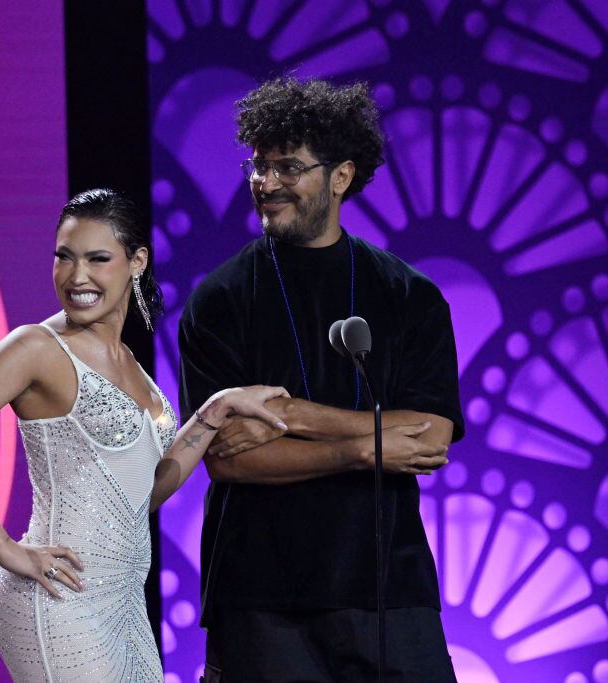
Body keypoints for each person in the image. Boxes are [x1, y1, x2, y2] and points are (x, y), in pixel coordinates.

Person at [0, 188, 288, 682]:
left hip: (123, 603)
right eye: (64, 257)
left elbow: (145, 494)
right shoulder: (37, 348)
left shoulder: (130, 363)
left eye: (97, 259)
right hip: (57, 596)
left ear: (137, 262)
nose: (76, 277)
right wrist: (7, 548)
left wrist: (214, 411)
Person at [178, 78, 465, 681]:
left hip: (387, 588)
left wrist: (295, 416)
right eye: (259, 166)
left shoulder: (409, 295)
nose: (266, 183)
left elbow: (430, 436)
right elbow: (227, 458)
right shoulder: (220, 299)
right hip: (259, 596)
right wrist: (363, 449)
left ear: (341, 177)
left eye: (288, 167)